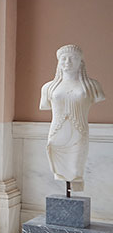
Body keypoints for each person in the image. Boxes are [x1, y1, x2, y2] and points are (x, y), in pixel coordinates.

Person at [40, 44, 106, 192]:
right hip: (57, 133)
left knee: (75, 168)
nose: (67, 62)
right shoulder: (48, 88)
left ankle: (75, 185)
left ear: (81, 62)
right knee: (58, 169)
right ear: (58, 62)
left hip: (78, 133)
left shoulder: (91, 86)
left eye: (73, 58)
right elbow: (45, 105)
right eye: (63, 58)